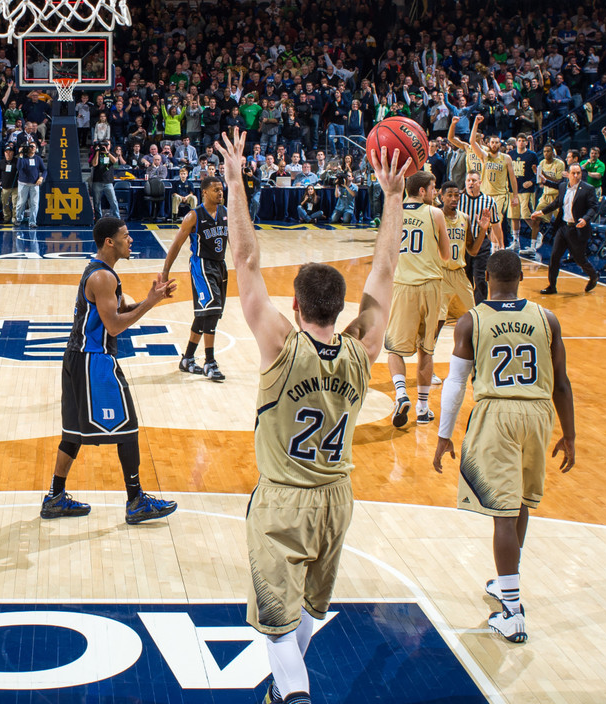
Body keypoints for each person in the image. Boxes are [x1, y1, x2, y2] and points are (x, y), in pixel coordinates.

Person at [214, 127, 407, 704]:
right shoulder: (361, 349)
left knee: (274, 618)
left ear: (295, 306)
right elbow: (386, 273)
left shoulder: (280, 344)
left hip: (284, 497)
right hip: (337, 499)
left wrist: (235, 182)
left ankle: (295, 698)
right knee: (304, 614)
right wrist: (392, 197)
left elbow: (245, 260)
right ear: (341, 309)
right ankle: (283, 694)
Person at [432, 250, 576, 643]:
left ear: (486, 278)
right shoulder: (546, 318)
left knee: (502, 514)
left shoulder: (471, 321)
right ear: (520, 280)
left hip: (497, 413)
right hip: (538, 413)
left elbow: (456, 383)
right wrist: (570, 433)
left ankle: (511, 611)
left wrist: (444, 436)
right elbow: (562, 382)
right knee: (522, 503)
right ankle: (505, 581)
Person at [40, 216, 179, 525]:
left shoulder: (102, 273)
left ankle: (55, 497)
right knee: (128, 428)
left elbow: (116, 311)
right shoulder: (103, 278)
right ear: (109, 242)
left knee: (73, 433)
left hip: (77, 357)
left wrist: (149, 299)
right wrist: (151, 303)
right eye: (125, 236)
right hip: (94, 359)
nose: (131, 240)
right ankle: (136, 501)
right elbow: (114, 326)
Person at [386, 171, 451, 428]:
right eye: (433, 188)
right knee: (427, 348)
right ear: (422, 191)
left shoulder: (393, 213)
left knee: (394, 349)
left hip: (404, 285)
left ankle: (401, 394)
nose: (436, 193)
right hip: (431, 286)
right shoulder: (435, 214)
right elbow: (446, 255)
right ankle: (423, 409)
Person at [161, 176, 228, 382]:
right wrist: (165, 273)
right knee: (212, 309)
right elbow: (176, 245)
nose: (220, 193)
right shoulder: (193, 216)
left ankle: (187, 359)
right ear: (205, 192)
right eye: (216, 190)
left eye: (221, 189)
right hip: (201, 265)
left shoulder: (225, 213)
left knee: (205, 314)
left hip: (220, 265)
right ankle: (210, 361)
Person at [534, 163, 600, 294]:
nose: (576, 176)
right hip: (563, 227)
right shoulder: (563, 186)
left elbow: (594, 207)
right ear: (568, 174)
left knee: (579, 259)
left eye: (578, 173)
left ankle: (593, 276)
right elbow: (557, 203)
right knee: (554, 257)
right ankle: (552, 286)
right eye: (573, 173)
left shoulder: (588, 189)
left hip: (577, 230)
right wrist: (541, 212)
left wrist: (585, 219)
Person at [437, 180, 490, 333]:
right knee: (439, 317)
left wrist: (483, 230)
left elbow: (472, 251)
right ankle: (429, 348)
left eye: (457, 195)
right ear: (442, 197)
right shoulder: (436, 216)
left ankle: (477, 347)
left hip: (460, 273)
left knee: (473, 314)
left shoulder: (464, 218)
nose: (454, 199)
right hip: (441, 272)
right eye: (450, 195)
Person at [469, 116, 519, 250]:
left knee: (496, 222)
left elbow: (512, 178)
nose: (495, 144)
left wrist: (515, 196)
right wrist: (475, 123)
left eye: (497, 142)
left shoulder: (506, 158)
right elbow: (472, 142)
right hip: (485, 194)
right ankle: (493, 246)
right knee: (487, 224)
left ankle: (498, 248)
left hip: (500, 195)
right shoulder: (484, 156)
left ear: (500, 144)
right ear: (489, 144)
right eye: (492, 142)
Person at [459, 172, 503, 304]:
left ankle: (480, 307)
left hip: (482, 241)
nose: (470, 183)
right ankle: (466, 307)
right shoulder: (459, 199)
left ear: (480, 183)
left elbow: (495, 224)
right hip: (463, 243)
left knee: (480, 278)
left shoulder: (489, 201)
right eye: (468, 180)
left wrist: (501, 245)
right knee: (464, 278)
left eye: (473, 180)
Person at [524, 144, 565, 257]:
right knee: (535, 218)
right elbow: (540, 181)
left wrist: (543, 175)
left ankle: (566, 249)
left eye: (548, 151)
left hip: (557, 196)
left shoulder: (560, 164)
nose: (546, 153)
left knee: (561, 224)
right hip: (545, 196)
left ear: (553, 152)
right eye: (544, 151)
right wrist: (537, 175)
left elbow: (559, 182)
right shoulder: (541, 163)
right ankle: (533, 246)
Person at [14, 142, 45, 228]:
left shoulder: (38, 159)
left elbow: (44, 170)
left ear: (36, 148)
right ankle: (18, 219)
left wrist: (41, 178)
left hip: (34, 184)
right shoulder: (23, 158)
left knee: (34, 203)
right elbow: (19, 167)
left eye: (33, 147)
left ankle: (32, 222)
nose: (32, 148)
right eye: (30, 146)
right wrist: (20, 154)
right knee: (21, 203)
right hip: (23, 183)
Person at [89, 140, 119, 219]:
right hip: (97, 181)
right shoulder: (95, 153)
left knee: (113, 201)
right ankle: (99, 218)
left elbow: (115, 162)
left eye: (107, 145)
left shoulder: (112, 154)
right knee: (97, 202)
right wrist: (98, 152)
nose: (105, 146)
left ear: (110, 146)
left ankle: (117, 218)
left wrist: (107, 153)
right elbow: (94, 164)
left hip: (108, 182)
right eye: (104, 145)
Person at [0, 144, 19, 224]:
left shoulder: (16, 162)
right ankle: (7, 217)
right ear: (4, 153)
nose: (8, 153)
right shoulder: (1, 163)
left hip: (15, 187)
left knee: (15, 204)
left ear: (13, 153)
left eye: (10, 152)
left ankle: (14, 219)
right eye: (6, 152)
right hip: (5, 187)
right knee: (4, 203)